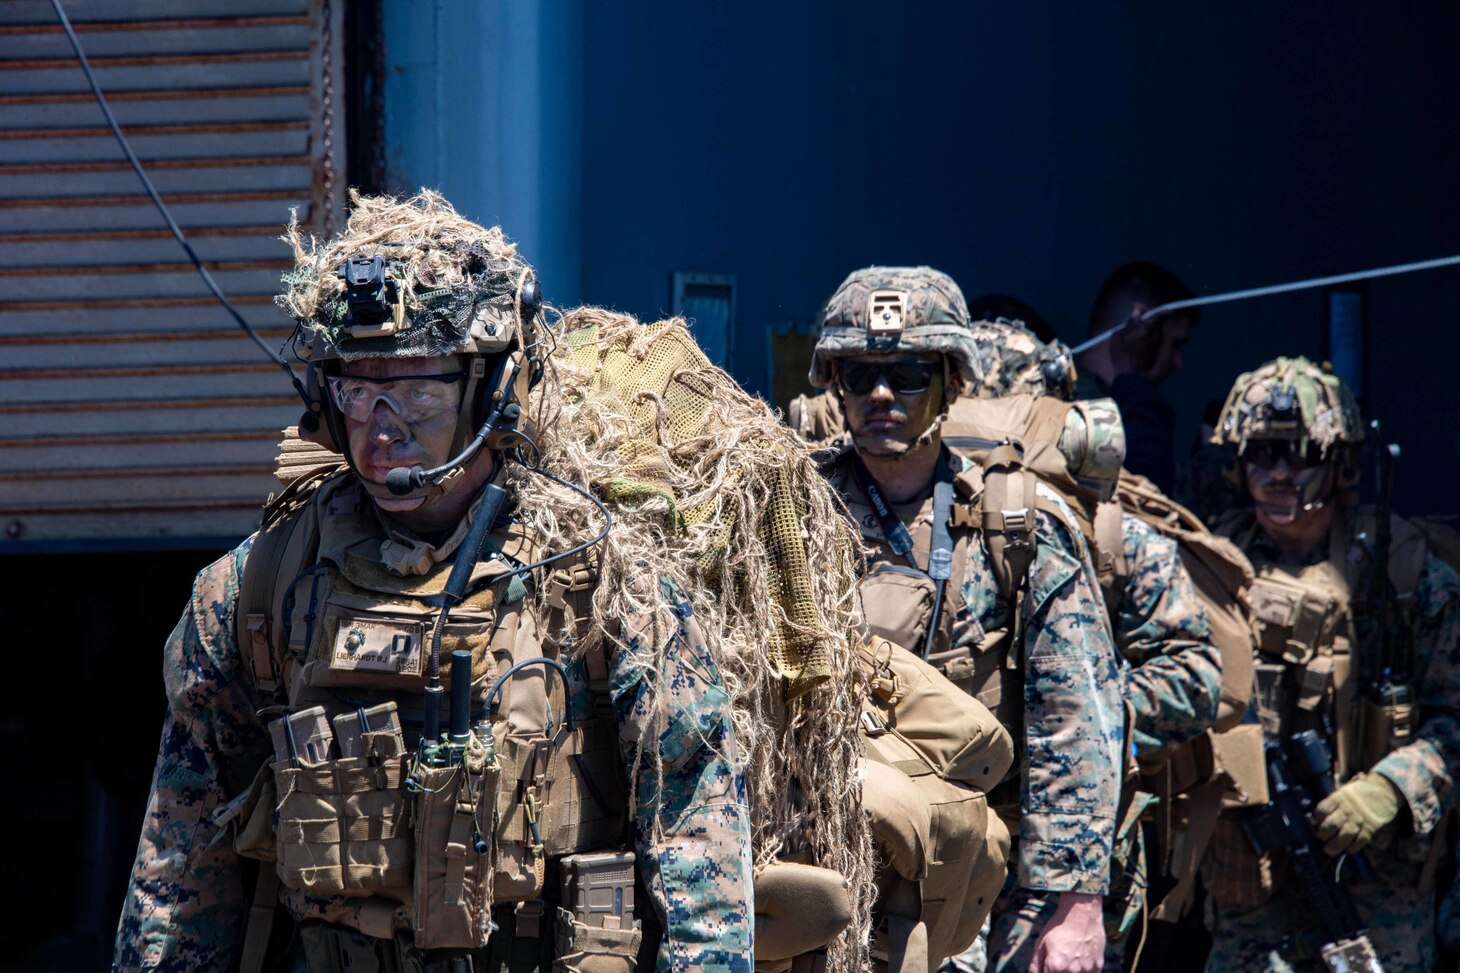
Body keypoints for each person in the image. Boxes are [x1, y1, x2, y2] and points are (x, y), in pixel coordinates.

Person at [113, 192, 781, 972]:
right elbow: (179, 879)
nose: (382, 427)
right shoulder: (253, 592)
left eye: (418, 393)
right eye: (358, 392)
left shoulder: (602, 583)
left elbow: (699, 855)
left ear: (490, 390)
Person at [805, 266, 1125, 973]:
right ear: (835, 385)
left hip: (976, 883)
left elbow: (1076, 722)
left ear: (953, 382)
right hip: (822, 871)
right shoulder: (787, 513)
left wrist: (1075, 906)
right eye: (860, 374)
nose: (882, 394)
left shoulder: (1020, 526)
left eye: (910, 374)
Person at [957, 318, 1222, 969]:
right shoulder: (932, 530)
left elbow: (1195, 674)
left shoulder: (1114, 535)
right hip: (952, 836)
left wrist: (1083, 716)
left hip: (1066, 859)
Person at [1200, 356, 1460, 972]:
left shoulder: (1404, 573)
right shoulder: (1211, 567)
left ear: (1341, 462)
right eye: (1261, 454)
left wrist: (1393, 787)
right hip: (1249, 886)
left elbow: (1455, 714)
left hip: (1376, 889)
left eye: (1300, 454)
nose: (1279, 474)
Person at [1075, 261, 1199, 495]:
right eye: (1175, 344)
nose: (1178, 362)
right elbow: (1146, 494)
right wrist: (1135, 380)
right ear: (1143, 329)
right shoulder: (1085, 410)